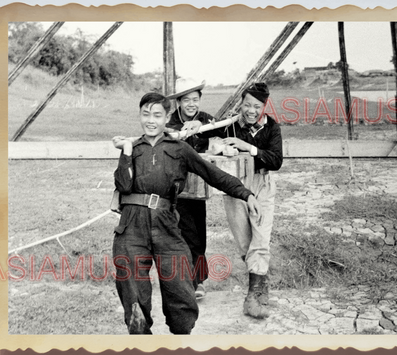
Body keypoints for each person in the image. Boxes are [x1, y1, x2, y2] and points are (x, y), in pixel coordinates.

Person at [111, 91, 262, 335]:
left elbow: (214, 175)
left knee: (182, 296)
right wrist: (127, 150)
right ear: (139, 116)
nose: (151, 120)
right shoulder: (134, 148)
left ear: (167, 117)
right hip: (131, 227)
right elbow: (123, 186)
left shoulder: (179, 149)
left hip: (167, 226)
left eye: (157, 115)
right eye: (145, 114)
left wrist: (246, 194)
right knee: (134, 297)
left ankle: (180, 337)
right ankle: (140, 336)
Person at [221, 82, 283, 319]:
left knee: (261, 240)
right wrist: (199, 124)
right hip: (235, 186)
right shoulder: (229, 126)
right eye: (247, 104)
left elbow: (276, 160)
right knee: (244, 243)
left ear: (264, 107)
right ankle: (261, 288)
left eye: (256, 106)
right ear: (241, 104)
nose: (251, 110)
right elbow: (205, 131)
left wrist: (248, 148)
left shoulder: (272, 127)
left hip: (262, 185)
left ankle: (251, 299)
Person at [165, 78, 219, 299]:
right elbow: (168, 135)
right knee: (181, 233)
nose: (191, 104)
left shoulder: (205, 118)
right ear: (179, 102)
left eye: (195, 100)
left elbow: (221, 127)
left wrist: (201, 127)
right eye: (186, 100)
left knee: (198, 232)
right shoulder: (171, 122)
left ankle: (197, 280)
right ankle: (189, 282)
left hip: (199, 187)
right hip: (175, 186)